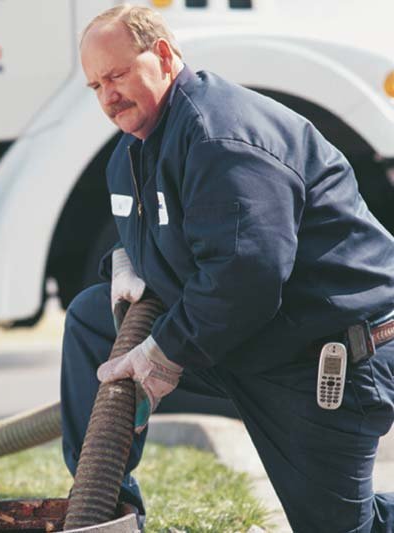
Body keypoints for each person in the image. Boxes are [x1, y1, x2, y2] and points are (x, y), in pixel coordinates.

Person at [60, 4, 394, 532]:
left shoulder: (220, 138)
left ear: (164, 56)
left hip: (329, 357)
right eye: (95, 86)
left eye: (118, 75)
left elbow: (247, 277)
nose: (108, 96)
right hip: (255, 342)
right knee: (92, 318)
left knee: (340, 527)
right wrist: (122, 260)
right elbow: (166, 239)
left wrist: (164, 354)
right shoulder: (135, 148)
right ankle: (106, 510)